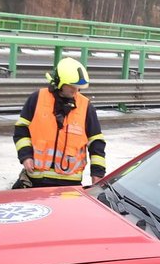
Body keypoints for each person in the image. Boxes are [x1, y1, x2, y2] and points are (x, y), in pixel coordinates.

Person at [13, 57, 106, 188]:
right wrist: (26, 156)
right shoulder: (37, 99)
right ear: (59, 83)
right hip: (36, 180)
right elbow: (21, 130)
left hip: (69, 183)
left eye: (78, 87)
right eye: (71, 86)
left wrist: (97, 173)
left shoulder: (85, 106)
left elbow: (96, 142)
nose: (76, 90)